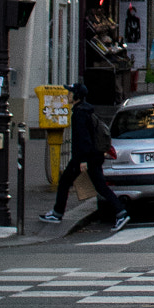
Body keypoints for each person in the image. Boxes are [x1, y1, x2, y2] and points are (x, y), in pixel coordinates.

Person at [41, 82, 129, 230]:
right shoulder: (86, 110)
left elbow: (83, 139)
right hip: (93, 155)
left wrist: (82, 160)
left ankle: (57, 214)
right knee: (99, 186)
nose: (67, 95)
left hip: (85, 157)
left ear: (76, 96)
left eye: (70, 93)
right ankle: (120, 212)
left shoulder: (79, 113)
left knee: (65, 182)